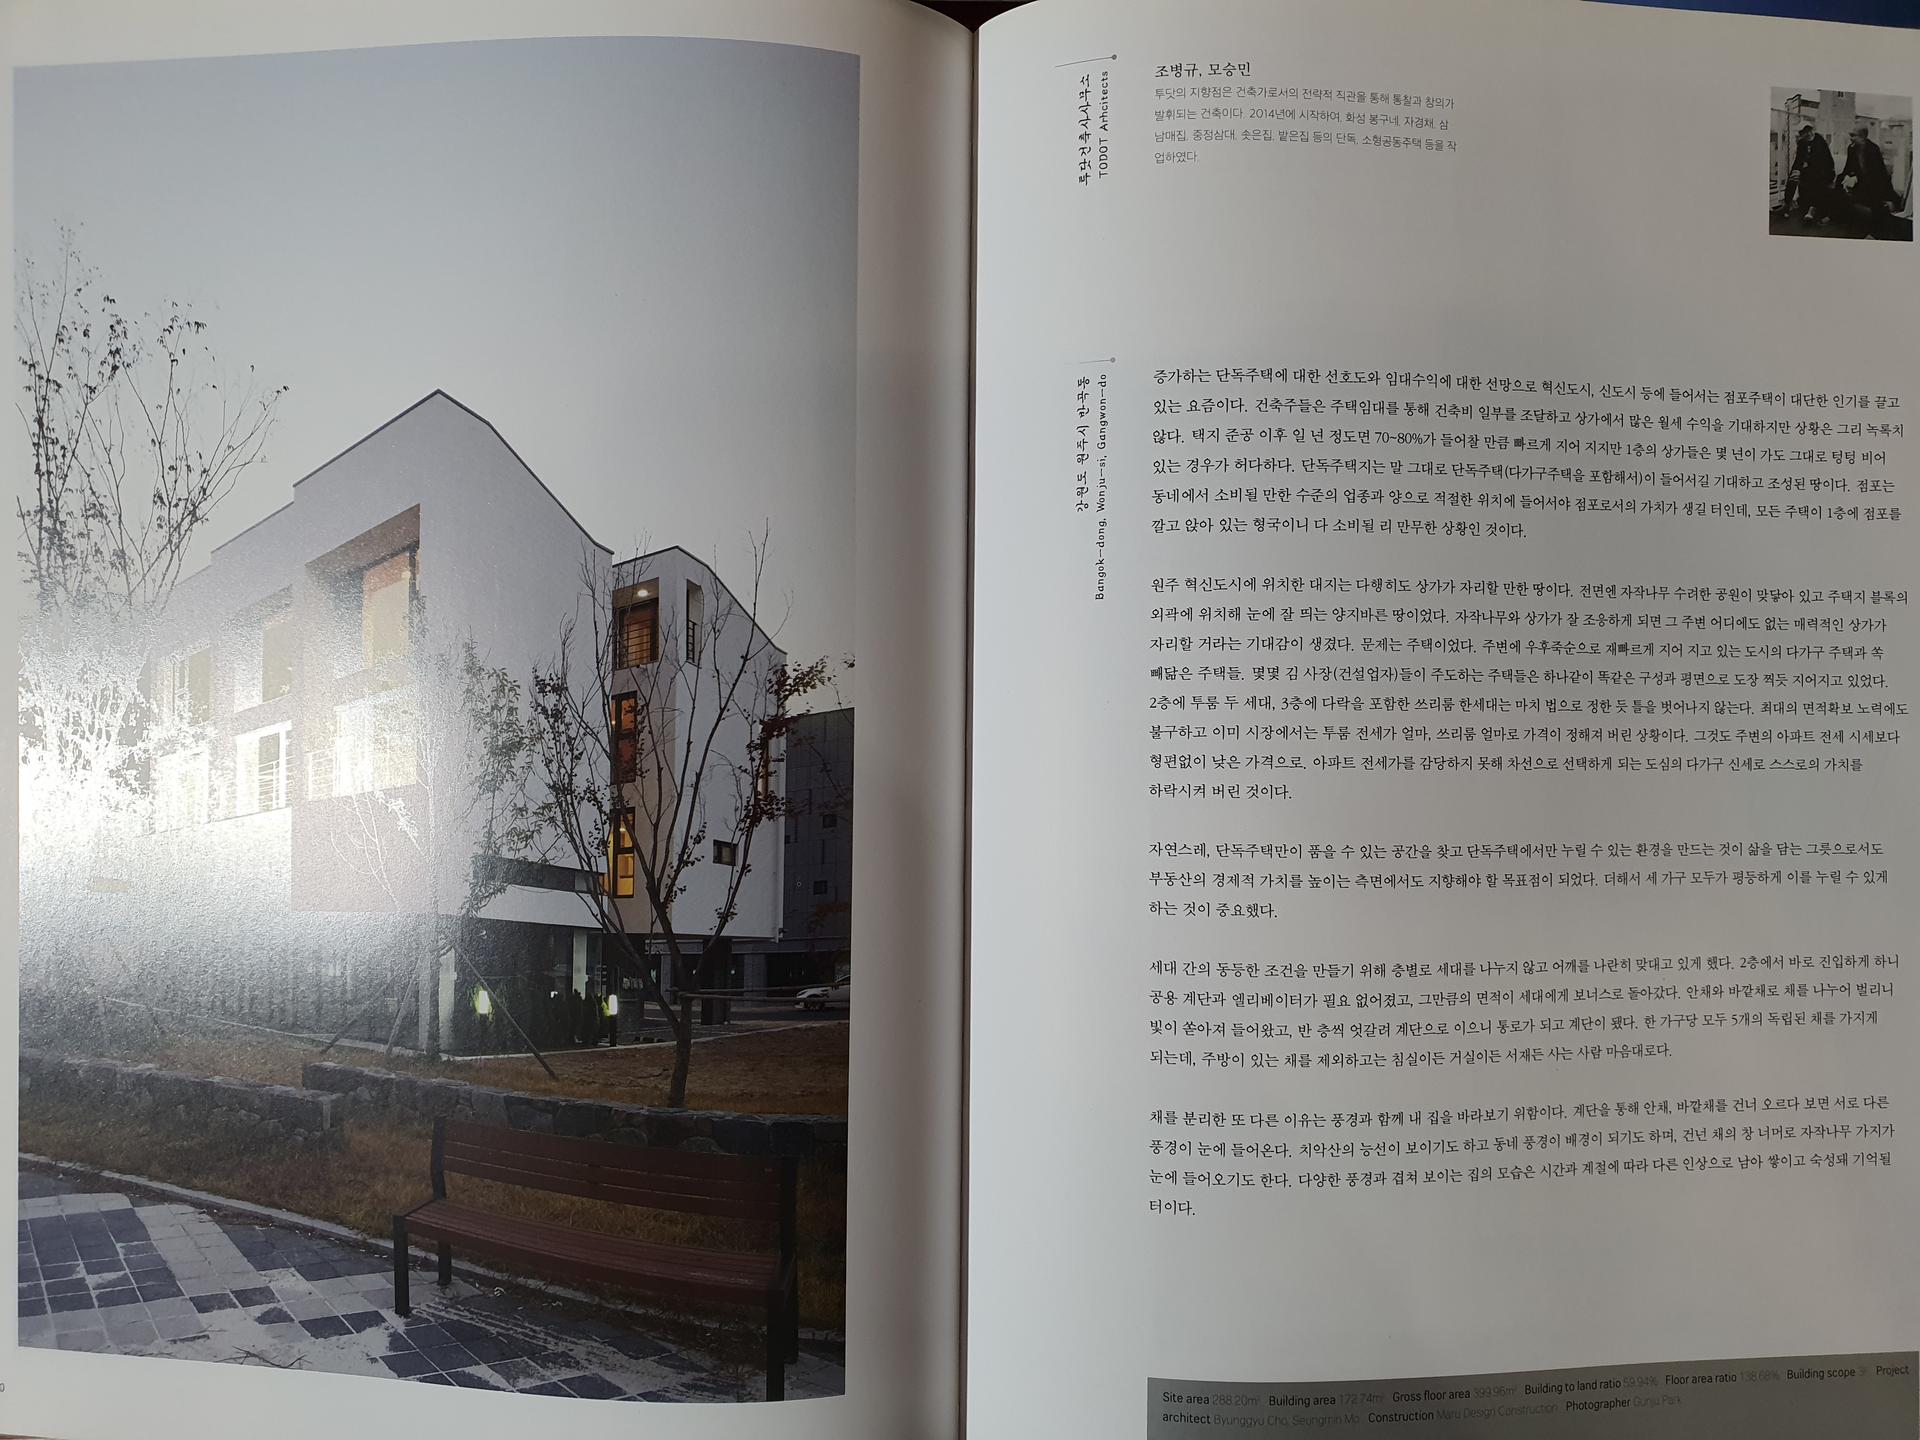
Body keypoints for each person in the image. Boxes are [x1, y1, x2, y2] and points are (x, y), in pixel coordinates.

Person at [1834, 124, 1899, 235]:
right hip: (1860, 180)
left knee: (1874, 195)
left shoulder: (1873, 149)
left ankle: (1876, 230)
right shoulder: (1851, 148)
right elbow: (1848, 167)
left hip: (1875, 182)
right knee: (1839, 180)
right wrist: (1846, 177)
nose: (1850, 138)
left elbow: (1876, 174)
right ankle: (1837, 217)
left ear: (1862, 137)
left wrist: (1857, 178)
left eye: (1853, 135)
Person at [1781, 123, 1835, 223]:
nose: (1808, 134)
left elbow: (1821, 163)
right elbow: (1798, 160)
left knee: (1814, 178)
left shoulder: (1819, 141)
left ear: (1811, 130)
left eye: (1809, 130)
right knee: (1793, 175)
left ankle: (1812, 209)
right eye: (1804, 132)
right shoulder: (1802, 143)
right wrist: (1795, 171)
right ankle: (1787, 204)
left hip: (1825, 171)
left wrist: (1802, 171)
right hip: (1810, 169)